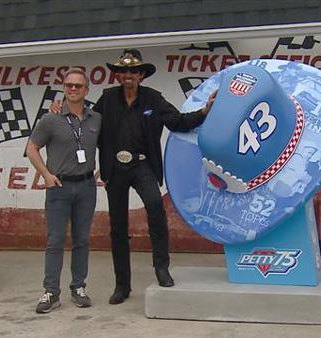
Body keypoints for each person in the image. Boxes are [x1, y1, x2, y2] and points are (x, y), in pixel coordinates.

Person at [52, 49, 214, 305]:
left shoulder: (153, 99)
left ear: (141, 75)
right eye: (123, 71)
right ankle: (122, 285)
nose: (128, 75)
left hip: (142, 167)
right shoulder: (106, 99)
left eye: (133, 71)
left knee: (156, 211)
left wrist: (204, 112)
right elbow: (84, 121)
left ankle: (162, 268)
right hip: (115, 170)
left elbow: (178, 122)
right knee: (118, 227)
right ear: (118, 76)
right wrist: (60, 109)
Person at [26, 68, 101, 313]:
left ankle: (78, 287)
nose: (72, 89)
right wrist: (46, 175)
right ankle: (51, 292)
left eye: (78, 86)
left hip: (87, 187)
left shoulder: (95, 119)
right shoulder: (51, 119)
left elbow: (108, 146)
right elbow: (32, 148)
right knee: (55, 240)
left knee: (82, 240)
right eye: (68, 85)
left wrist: (102, 173)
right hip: (59, 187)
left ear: (86, 90)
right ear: (63, 89)